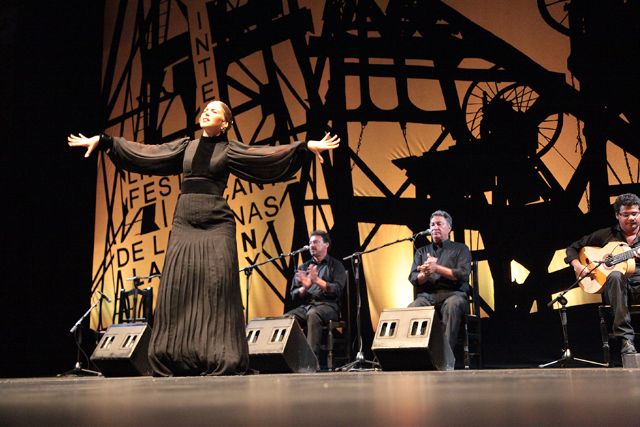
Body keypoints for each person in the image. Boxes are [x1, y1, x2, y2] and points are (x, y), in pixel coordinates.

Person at [68, 100, 340, 376]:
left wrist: (304, 146)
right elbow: (148, 153)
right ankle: (174, 356)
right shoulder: (186, 147)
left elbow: (264, 155)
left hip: (216, 222)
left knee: (218, 286)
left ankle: (221, 355)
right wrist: (105, 141)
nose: (206, 112)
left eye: (215, 111)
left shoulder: (229, 149)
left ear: (225, 124)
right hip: (184, 221)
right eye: (205, 109)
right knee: (177, 288)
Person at [565, 193, 640, 355]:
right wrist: (578, 266)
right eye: (626, 215)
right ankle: (626, 340)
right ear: (617, 215)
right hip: (619, 291)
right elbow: (572, 248)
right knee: (614, 276)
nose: (631, 218)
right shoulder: (606, 235)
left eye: (635, 214)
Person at [408, 210, 472, 357]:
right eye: (432, 224)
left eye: (439, 224)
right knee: (413, 308)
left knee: (453, 305)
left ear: (449, 228)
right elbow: (413, 277)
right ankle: (414, 356)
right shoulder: (421, 251)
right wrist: (425, 274)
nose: (434, 227)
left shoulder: (461, 249)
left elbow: (462, 274)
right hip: (428, 296)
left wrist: (437, 268)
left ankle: (444, 357)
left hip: (454, 294)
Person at [286, 230, 347, 363]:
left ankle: (310, 361)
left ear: (326, 245)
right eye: (310, 242)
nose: (312, 245)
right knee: (286, 320)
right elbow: (293, 295)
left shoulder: (336, 266)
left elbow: (337, 290)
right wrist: (305, 288)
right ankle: (289, 360)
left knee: (313, 315)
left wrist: (317, 280)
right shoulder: (304, 267)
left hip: (329, 306)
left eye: (316, 242)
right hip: (307, 306)